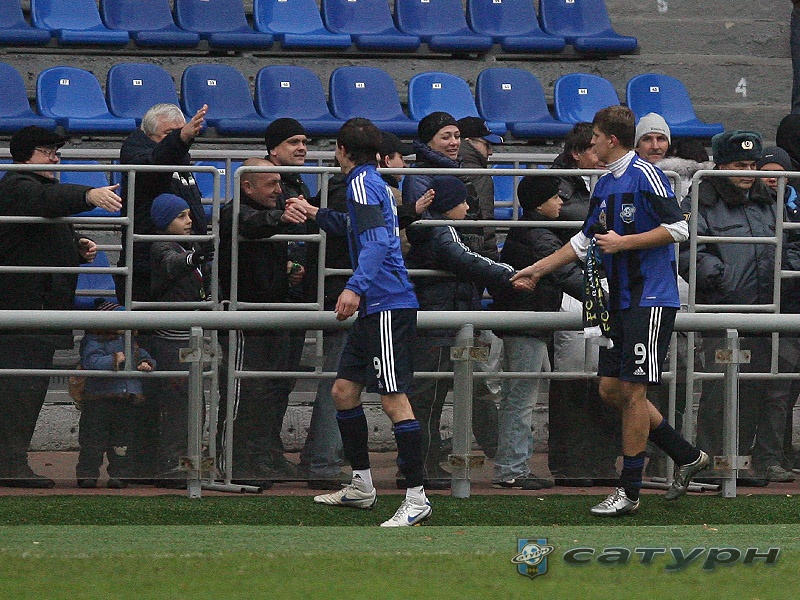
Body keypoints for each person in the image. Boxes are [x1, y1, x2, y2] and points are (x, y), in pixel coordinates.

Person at [512, 106, 709, 516]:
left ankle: (629, 490)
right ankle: (687, 455)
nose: (592, 144)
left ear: (611, 140)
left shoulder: (646, 175)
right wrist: (536, 270)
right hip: (617, 299)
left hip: (650, 298)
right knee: (611, 390)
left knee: (633, 392)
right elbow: (584, 241)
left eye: (596, 138)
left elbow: (679, 228)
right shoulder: (604, 183)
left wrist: (625, 243)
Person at [288, 118, 431, 527]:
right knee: (344, 391)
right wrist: (316, 213)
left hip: (385, 302)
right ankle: (362, 484)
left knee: (393, 398)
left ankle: (417, 497)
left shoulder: (361, 184)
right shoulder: (371, 183)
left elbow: (379, 241)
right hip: (378, 305)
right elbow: (359, 227)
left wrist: (355, 286)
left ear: (341, 149)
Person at [0, 125, 122, 488]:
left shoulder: (29, 188)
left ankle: (11, 463)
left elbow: (40, 228)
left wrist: (77, 245)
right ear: (25, 156)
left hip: (34, 309)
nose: (55, 159)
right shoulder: (18, 186)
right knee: (19, 392)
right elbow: (45, 203)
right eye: (47, 152)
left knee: (24, 391)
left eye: (56, 152)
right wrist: (88, 194)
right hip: (25, 312)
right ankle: (10, 464)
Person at [679, 131, 793, 484]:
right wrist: (722, 279)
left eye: (752, 165)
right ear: (720, 166)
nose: (748, 172)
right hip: (721, 311)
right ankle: (713, 467)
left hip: (764, 311)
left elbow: (791, 241)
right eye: (739, 165)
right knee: (720, 390)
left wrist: (783, 274)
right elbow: (685, 251)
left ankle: (737, 464)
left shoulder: (767, 199)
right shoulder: (700, 200)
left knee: (753, 390)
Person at [403, 175, 516, 489]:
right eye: (462, 201)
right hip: (440, 328)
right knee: (428, 402)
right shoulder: (441, 229)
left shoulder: (433, 228)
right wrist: (509, 274)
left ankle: (424, 466)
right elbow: (464, 259)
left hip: (444, 325)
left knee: (435, 400)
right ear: (447, 204)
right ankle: (421, 469)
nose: (467, 207)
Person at [217, 159, 308, 488]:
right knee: (244, 392)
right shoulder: (232, 212)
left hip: (272, 313)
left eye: (279, 183)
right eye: (271, 184)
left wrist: (289, 268)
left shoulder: (268, 211)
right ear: (247, 186)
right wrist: (280, 217)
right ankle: (232, 462)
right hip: (245, 320)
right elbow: (250, 223)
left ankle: (263, 456)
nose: (278, 190)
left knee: (271, 391)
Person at [491, 175, 583, 489]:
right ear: (540, 203)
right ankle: (512, 469)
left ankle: (512, 466)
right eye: (555, 197)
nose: (561, 202)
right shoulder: (539, 234)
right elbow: (565, 273)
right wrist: (604, 301)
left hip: (526, 322)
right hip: (527, 324)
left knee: (517, 397)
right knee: (520, 399)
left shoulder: (531, 229)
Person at [548, 122, 619, 485]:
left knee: (606, 378)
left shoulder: (612, 183)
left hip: (605, 286)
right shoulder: (557, 190)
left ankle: (603, 461)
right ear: (577, 153)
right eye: (593, 148)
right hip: (574, 293)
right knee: (573, 381)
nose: (601, 154)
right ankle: (570, 462)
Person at [148, 193, 214, 488]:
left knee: (193, 404)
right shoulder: (161, 246)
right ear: (164, 221)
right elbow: (172, 264)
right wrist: (196, 257)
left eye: (188, 214)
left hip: (189, 339)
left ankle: (188, 465)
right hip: (173, 342)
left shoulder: (186, 246)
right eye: (180, 216)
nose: (189, 221)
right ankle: (170, 467)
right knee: (179, 406)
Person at [263, 118, 314, 480]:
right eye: (293, 142)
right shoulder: (261, 181)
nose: (302, 148)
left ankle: (269, 451)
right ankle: (256, 453)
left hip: (294, 294)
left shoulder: (299, 183)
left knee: (281, 381)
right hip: (268, 296)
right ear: (273, 149)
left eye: (304, 141)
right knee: (265, 382)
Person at [117, 102, 209, 303]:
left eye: (180, 131)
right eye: (169, 134)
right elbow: (156, 164)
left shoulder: (179, 157)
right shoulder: (138, 155)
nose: (178, 137)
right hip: (149, 271)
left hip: (184, 263)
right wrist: (180, 138)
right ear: (149, 135)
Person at [76, 301, 156, 489]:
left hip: (126, 400)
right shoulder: (93, 341)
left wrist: (146, 362)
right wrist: (113, 360)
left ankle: (120, 475)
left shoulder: (130, 341)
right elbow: (91, 362)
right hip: (99, 399)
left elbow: (143, 354)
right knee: (92, 441)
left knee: (123, 442)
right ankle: (87, 474)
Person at [758, 146, 800, 478]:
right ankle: (770, 456)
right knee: (778, 388)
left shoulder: (795, 207)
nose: (773, 179)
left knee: (785, 388)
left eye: (779, 173)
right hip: (772, 310)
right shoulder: (753, 206)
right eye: (766, 172)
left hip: (791, 308)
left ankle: (781, 453)